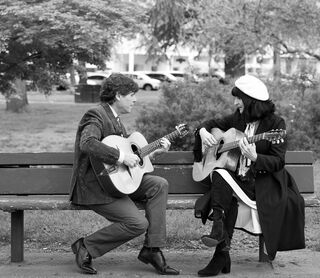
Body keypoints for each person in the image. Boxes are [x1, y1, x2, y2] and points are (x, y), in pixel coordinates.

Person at [193, 75, 305, 277]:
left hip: (261, 183)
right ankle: (221, 252)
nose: (235, 103)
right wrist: (202, 131)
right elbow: (209, 123)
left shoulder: (275, 124)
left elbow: (278, 162)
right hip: (237, 181)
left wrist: (255, 157)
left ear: (251, 101)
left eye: (239, 99)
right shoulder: (238, 118)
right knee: (223, 179)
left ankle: (219, 241)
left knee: (220, 175)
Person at [69, 73, 180, 275]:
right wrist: (120, 157)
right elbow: (87, 143)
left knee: (159, 184)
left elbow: (130, 158)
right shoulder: (95, 115)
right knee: (137, 223)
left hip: (118, 181)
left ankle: (152, 249)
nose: (135, 99)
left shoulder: (117, 121)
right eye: (131, 94)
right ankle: (86, 246)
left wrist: (153, 154)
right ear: (118, 95)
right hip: (96, 186)